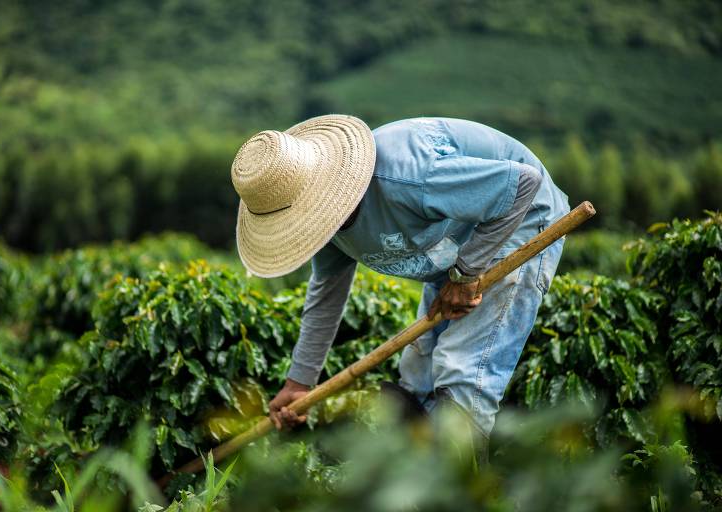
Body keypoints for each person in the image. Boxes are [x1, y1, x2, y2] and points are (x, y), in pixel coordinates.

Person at [230, 115, 569, 454]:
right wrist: (298, 383)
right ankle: (415, 485)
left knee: (462, 373)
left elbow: (523, 184)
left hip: (520, 224)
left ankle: (462, 492)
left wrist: (466, 274)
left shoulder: (406, 177)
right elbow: (326, 294)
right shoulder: (327, 228)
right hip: (453, 249)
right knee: (416, 377)